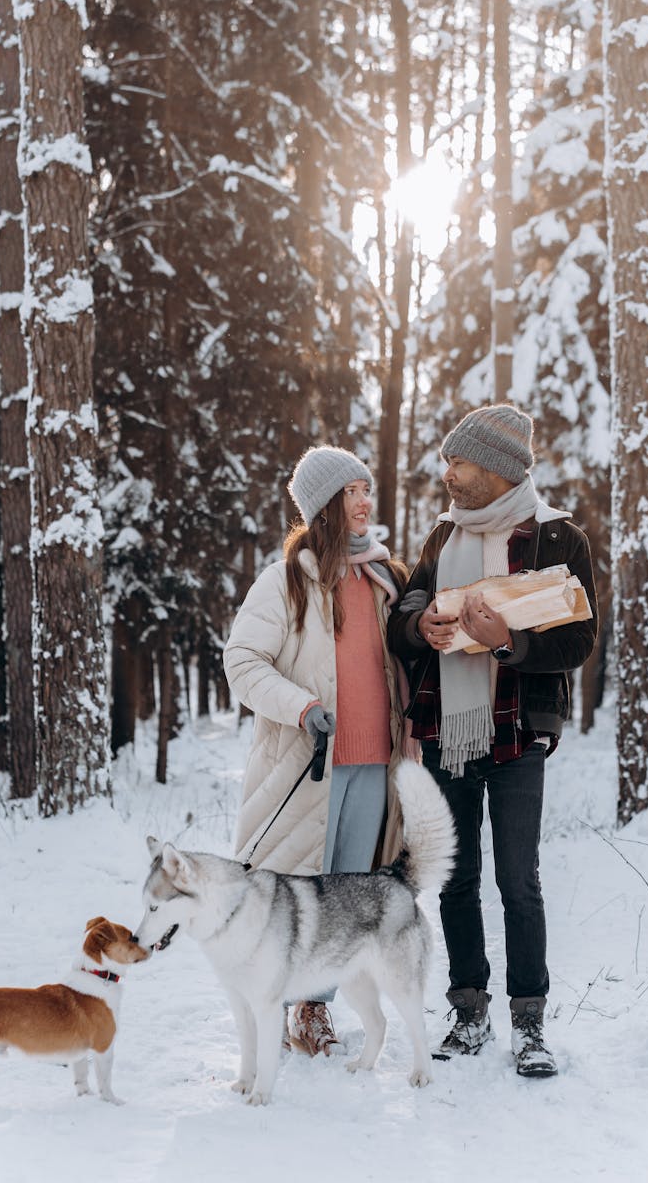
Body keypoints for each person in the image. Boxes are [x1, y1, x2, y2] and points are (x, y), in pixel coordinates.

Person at [387, 404, 598, 1078]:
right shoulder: (442, 537)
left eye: (460, 461)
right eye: (447, 459)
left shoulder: (559, 539)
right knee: (457, 878)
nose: (447, 472)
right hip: (449, 725)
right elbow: (405, 609)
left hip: (519, 730)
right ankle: (469, 1010)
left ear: (499, 468)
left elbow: (578, 639)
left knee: (519, 881)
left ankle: (529, 1025)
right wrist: (424, 627)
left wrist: (505, 641)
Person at [223, 445, 412, 1057]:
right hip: (307, 768)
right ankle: (268, 1005)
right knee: (287, 890)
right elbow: (242, 661)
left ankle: (314, 1011)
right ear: (325, 505)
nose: (365, 501)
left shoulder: (386, 579)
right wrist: (301, 705)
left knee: (346, 897)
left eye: (365, 489)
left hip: (374, 763)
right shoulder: (285, 582)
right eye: (353, 492)